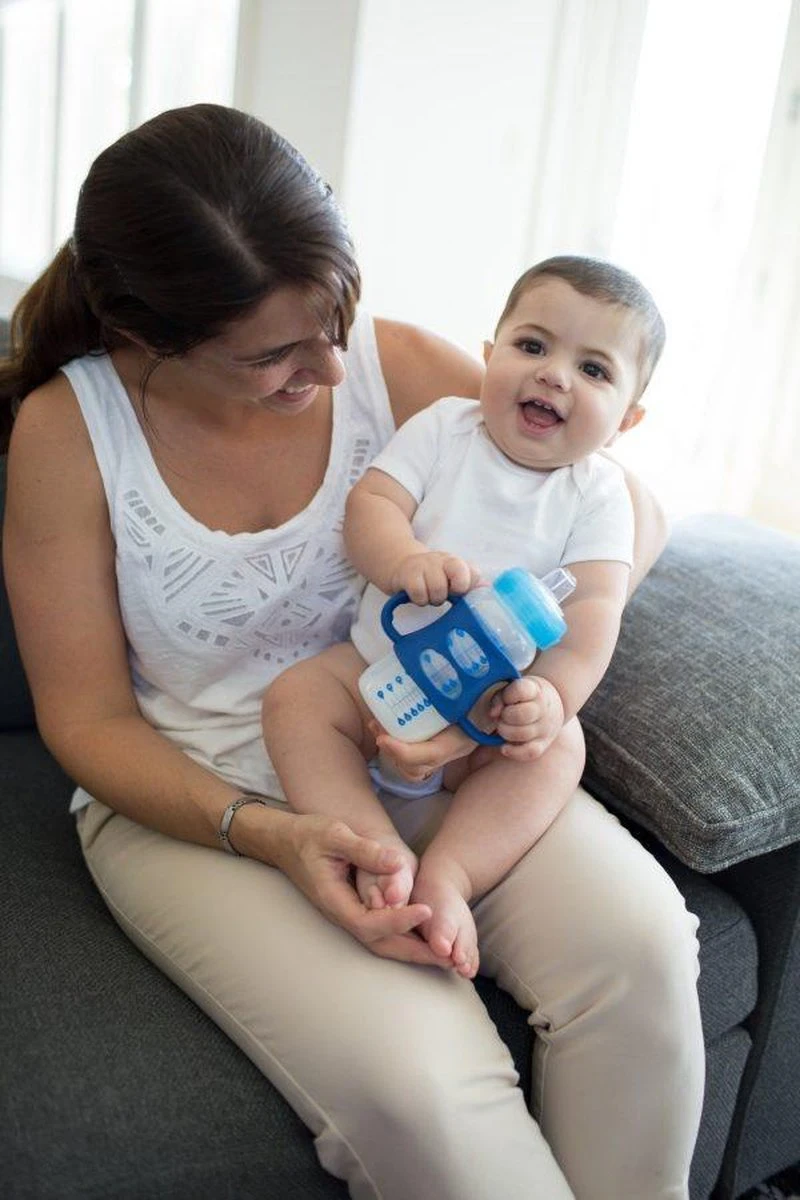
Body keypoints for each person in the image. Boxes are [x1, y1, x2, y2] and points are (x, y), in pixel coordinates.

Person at [0, 103, 704, 1200]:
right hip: (206, 788)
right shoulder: (66, 434)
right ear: (145, 337)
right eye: (273, 355)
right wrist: (277, 835)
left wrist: (508, 663)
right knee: (422, 1081)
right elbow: (86, 722)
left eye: (333, 320)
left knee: (642, 953)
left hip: (424, 733)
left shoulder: (392, 367)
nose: (330, 372)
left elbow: (621, 505)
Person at [263, 255, 661, 981]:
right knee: (295, 701)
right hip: (376, 672)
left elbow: (596, 610)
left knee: (557, 751)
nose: (553, 376)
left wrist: (550, 698)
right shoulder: (446, 428)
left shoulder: (598, 496)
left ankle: (451, 874)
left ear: (627, 419)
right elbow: (373, 506)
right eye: (533, 346)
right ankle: (375, 851)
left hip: (487, 714)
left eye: (594, 370)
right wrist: (402, 559)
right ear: (490, 354)